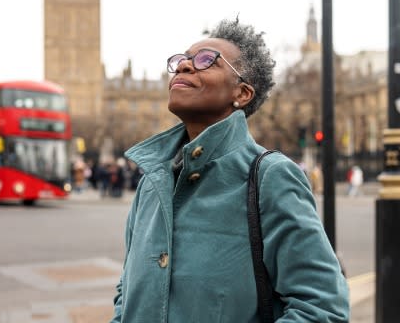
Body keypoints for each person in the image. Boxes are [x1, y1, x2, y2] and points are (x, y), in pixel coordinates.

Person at [110, 18, 349, 322]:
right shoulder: (152, 181)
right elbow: (127, 289)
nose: (184, 66)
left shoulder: (269, 176)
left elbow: (322, 307)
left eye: (206, 60)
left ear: (243, 93)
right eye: (182, 60)